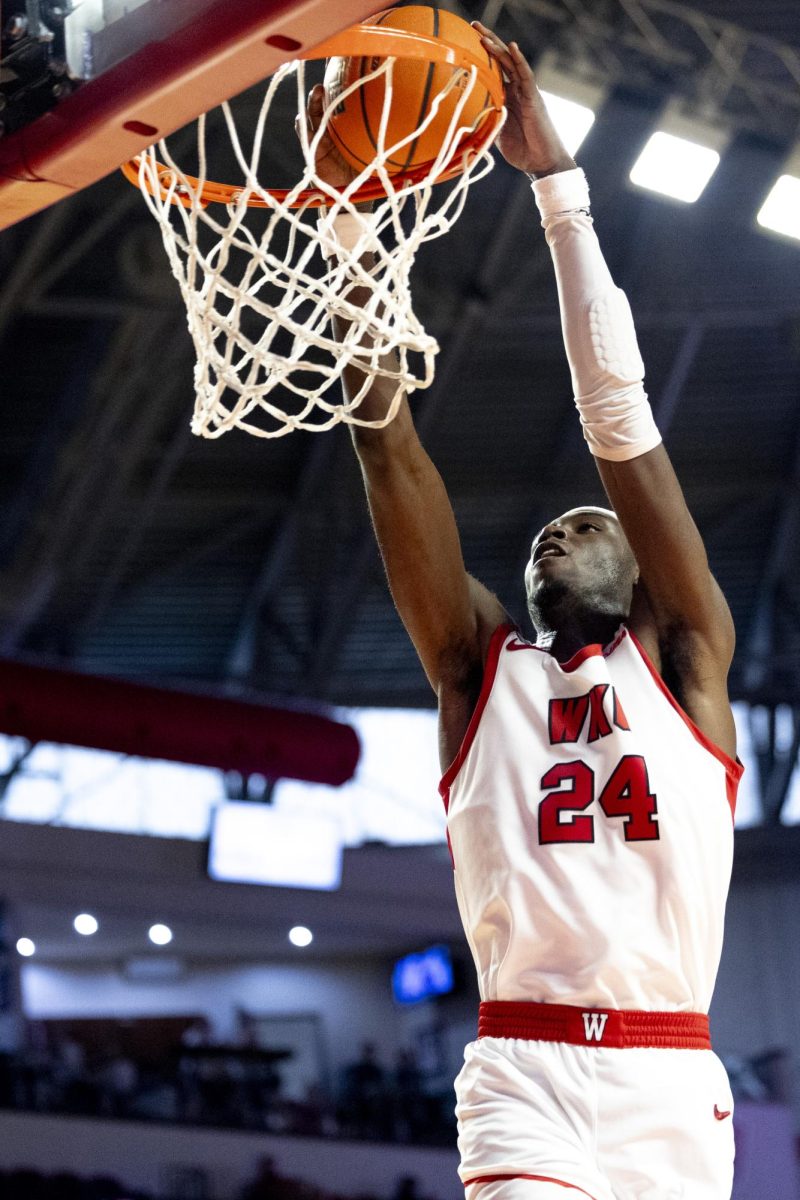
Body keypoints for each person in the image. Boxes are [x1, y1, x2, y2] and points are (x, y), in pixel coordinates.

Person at [304, 20, 741, 1200]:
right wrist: (346, 232)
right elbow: (388, 451)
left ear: (639, 575)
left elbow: (620, 419)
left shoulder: (688, 658)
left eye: (585, 521)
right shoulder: (473, 672)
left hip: (665, 1080)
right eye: (545, 533)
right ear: (528, 587)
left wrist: (560, 190)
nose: (564, 524)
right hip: (524, 1071)